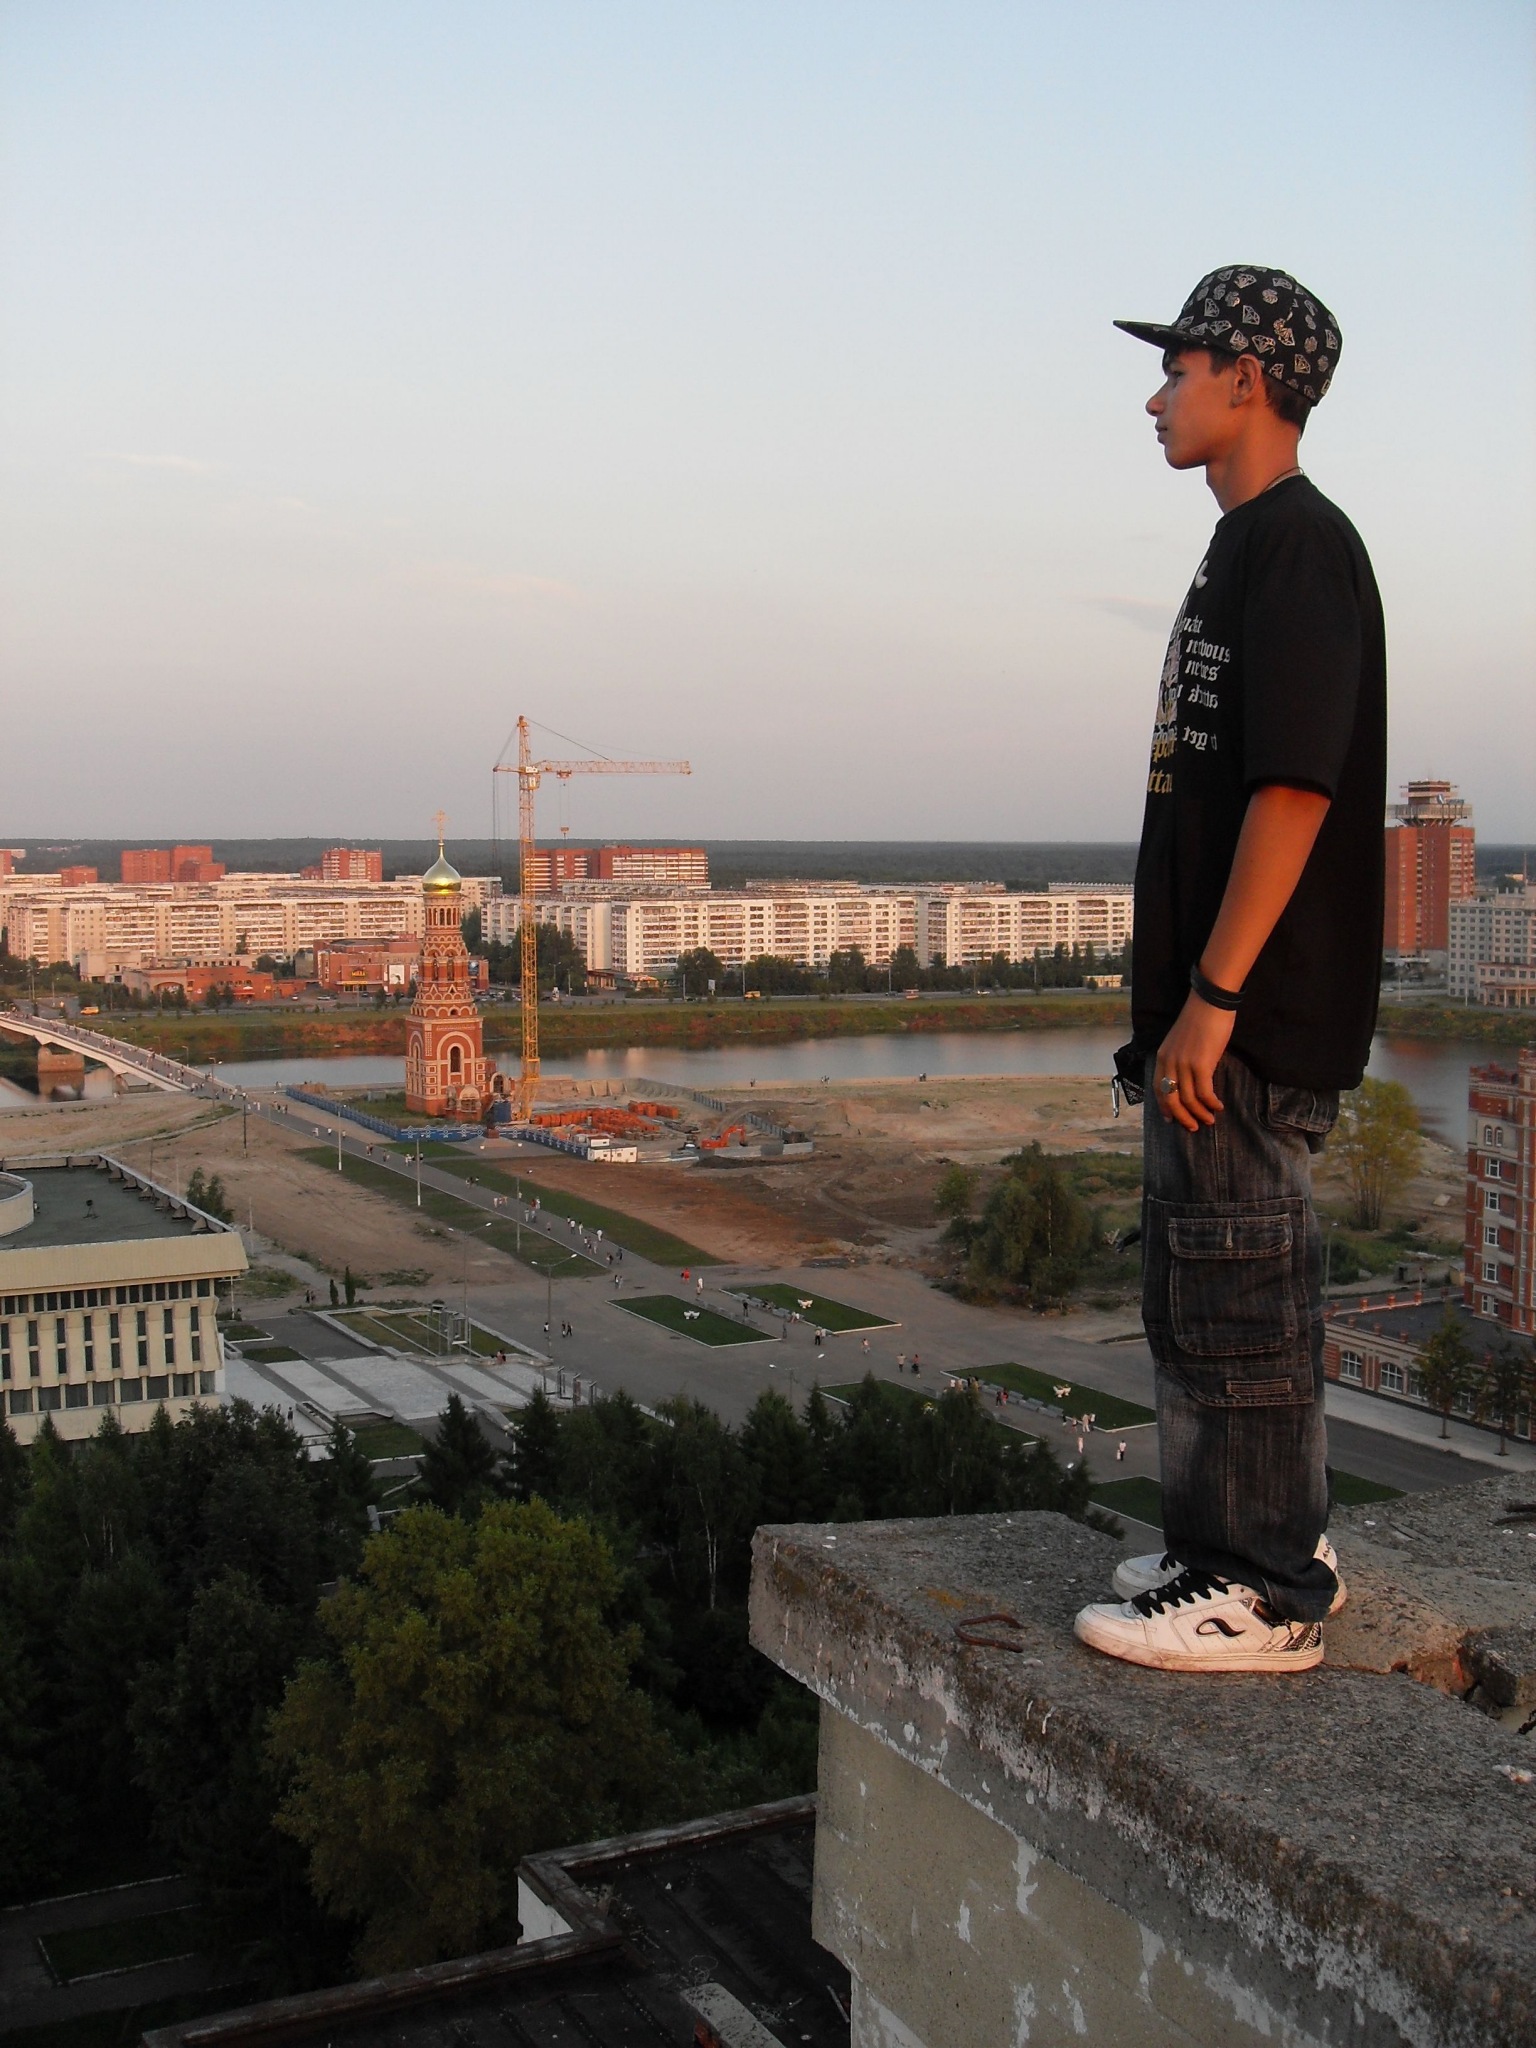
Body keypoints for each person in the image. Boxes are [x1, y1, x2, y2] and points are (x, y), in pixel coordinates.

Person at [1074, 267, 1382, 1677]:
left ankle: (1263, 1589)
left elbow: (1294, 789)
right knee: (1201, 1287)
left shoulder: (1298, 545)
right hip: (1213, 1016)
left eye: (1178, 367)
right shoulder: (1244, 546)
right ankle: (1229, 1545)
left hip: (1246, 1015)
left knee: (1243, 1285)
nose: (1156, 397)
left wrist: (1212, 1000)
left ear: (1247, 379)